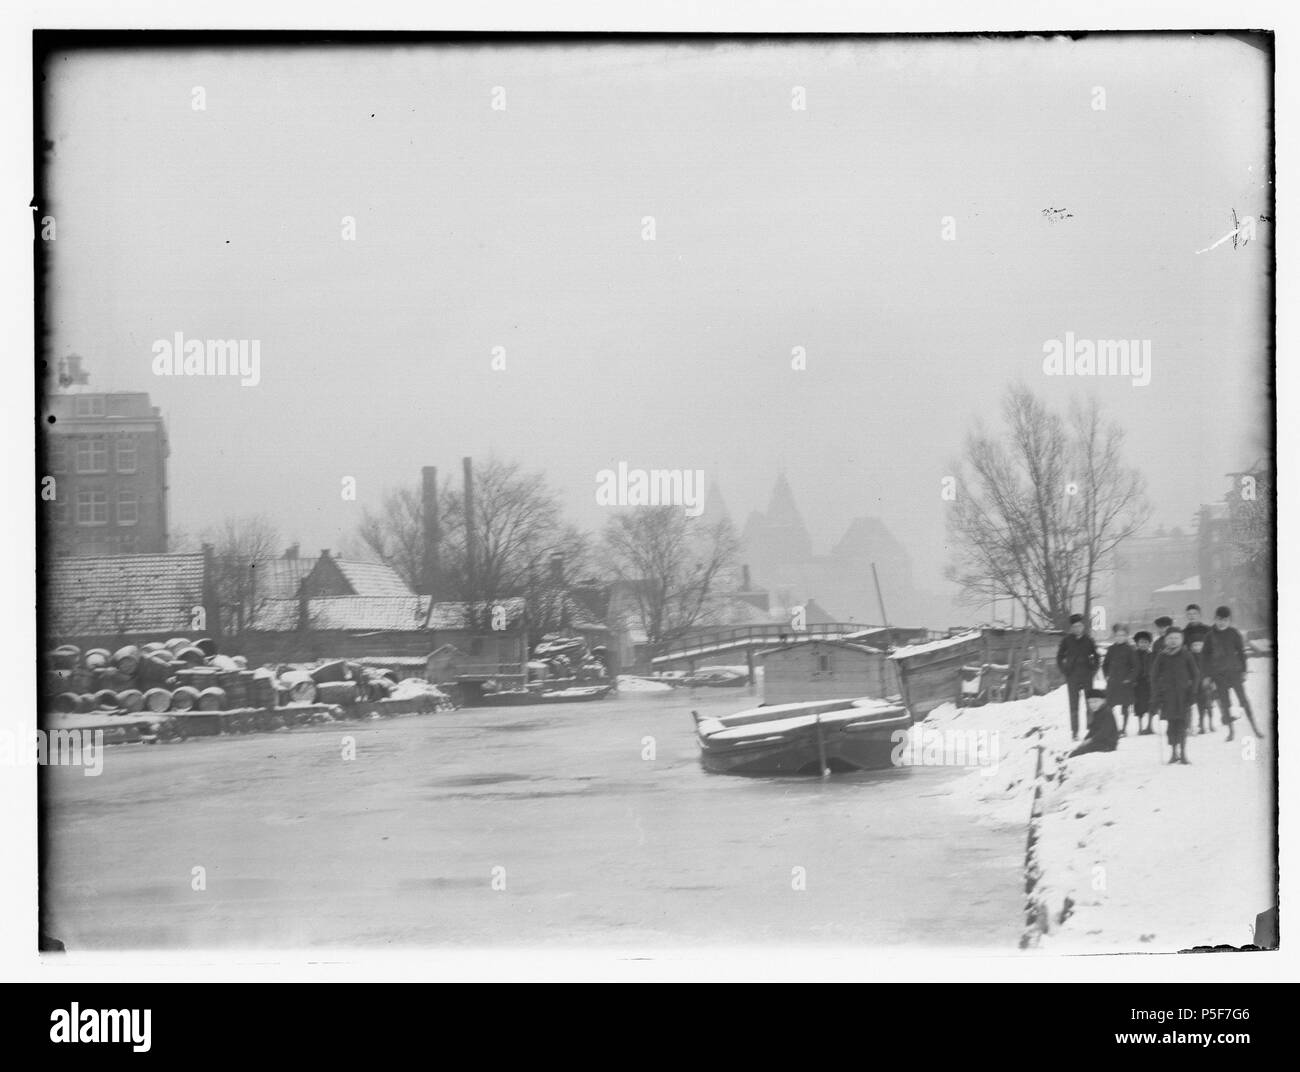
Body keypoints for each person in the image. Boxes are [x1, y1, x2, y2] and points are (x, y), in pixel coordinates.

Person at [1200, 605, 1263, 740]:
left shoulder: (1234, 633)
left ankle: (1255, 728)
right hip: (1219, 675)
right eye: (1219, 619)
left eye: (1225, 620)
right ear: (1215, 619)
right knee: (1225, 702)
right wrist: (1206, 676)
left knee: (1244, 701)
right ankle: (1231, 732)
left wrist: (1244, 670)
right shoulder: (1209, 636)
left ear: (1229, 620)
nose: (1222, 622)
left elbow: (1241, 653)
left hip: (1234, 673)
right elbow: (1204, 657)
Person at [1151, 627, 1198, 765]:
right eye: (1170, 638)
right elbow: (1153, 676)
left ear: (1182, 640)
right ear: (1165, 640)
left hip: (1184, 696)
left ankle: (1183, 753)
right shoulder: (1161, 656)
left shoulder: (1187, 655)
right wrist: (1156, 695)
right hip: (1167, 697)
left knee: (1182, 724)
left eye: (1176, 638)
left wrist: (1193, 692)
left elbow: (1196, 674)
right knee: (1171, 725)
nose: (1173, 641)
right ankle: (1173, 753)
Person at [1056, 613, 1099, 740]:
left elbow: (1096, 657)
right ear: (1072, 628)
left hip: (1086, 676)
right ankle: (1074, 732)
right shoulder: (1066, 640)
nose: (1077, 628)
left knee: (1089, 704)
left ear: (1083, 626)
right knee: (1074, 705)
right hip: (1072, 677)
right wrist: (1065, 670)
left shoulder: (1089, 640)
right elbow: (1059, 657)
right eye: (1075, 626)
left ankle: (1090, 730)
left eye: (1079, 626)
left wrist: (1093, 670)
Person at [1183, 604, 1213, 734]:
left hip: (1204, 667)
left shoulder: (1207, 630)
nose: (1192, 616)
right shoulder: (1184, 632)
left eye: (1194, 614)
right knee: (1189, 698)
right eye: (1189, 614)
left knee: (1204, 698)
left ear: (1199, 615)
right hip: (1190, 669)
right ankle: (1188, 725)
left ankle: (1203, 723)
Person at [1102, 623, 1137, 736]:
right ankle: (1112, 728)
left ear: (1126, 636)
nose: (1120, 637)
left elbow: (1136, 667)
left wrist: (1130, 679)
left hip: (1125, 683)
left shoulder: (1130, 650)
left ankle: (1123, 729)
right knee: (1109, 706)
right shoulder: (1111, 649)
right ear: (1114, 636)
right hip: (1113, 682)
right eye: (1117, 635)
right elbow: (1105, 665)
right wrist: (1107, 675)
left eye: (1122, 635)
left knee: (1125, 707)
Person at [1069, 687, 1118, 756]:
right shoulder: (1097, 712)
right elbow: (1093, 729)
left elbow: (1104, 732)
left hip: (1108, 743)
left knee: (1081, 751)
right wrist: (1085, 739)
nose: (1092, 704)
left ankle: (1070, 758)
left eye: (1095, 701)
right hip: (1099, 741)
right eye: (1090, 702)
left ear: (1103, 701)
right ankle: (1068, 756)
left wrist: (1090, 740)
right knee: (1079, 749)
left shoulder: (1107, 712)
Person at [1131, 630, 1155, 735]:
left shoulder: (1152, 655)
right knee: (1139, 705)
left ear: (1149, 644)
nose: (1143, 644)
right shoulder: (1133, 655)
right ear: (1137, 643)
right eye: (1141, 642)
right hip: (1138, 683)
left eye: (1146, 642)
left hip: (1149, 683)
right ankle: (1140, 727)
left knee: (1151, 704)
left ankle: (1149, 726)